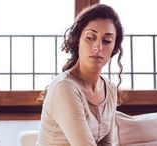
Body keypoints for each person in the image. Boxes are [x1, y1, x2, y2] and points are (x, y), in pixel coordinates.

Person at [36, 4, 124, 146]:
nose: (98, 47)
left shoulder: (110, 89)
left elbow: (107, 144)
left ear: (114, 47)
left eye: (107, 41)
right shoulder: (64, 87)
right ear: (78, 40)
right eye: (90, 37)